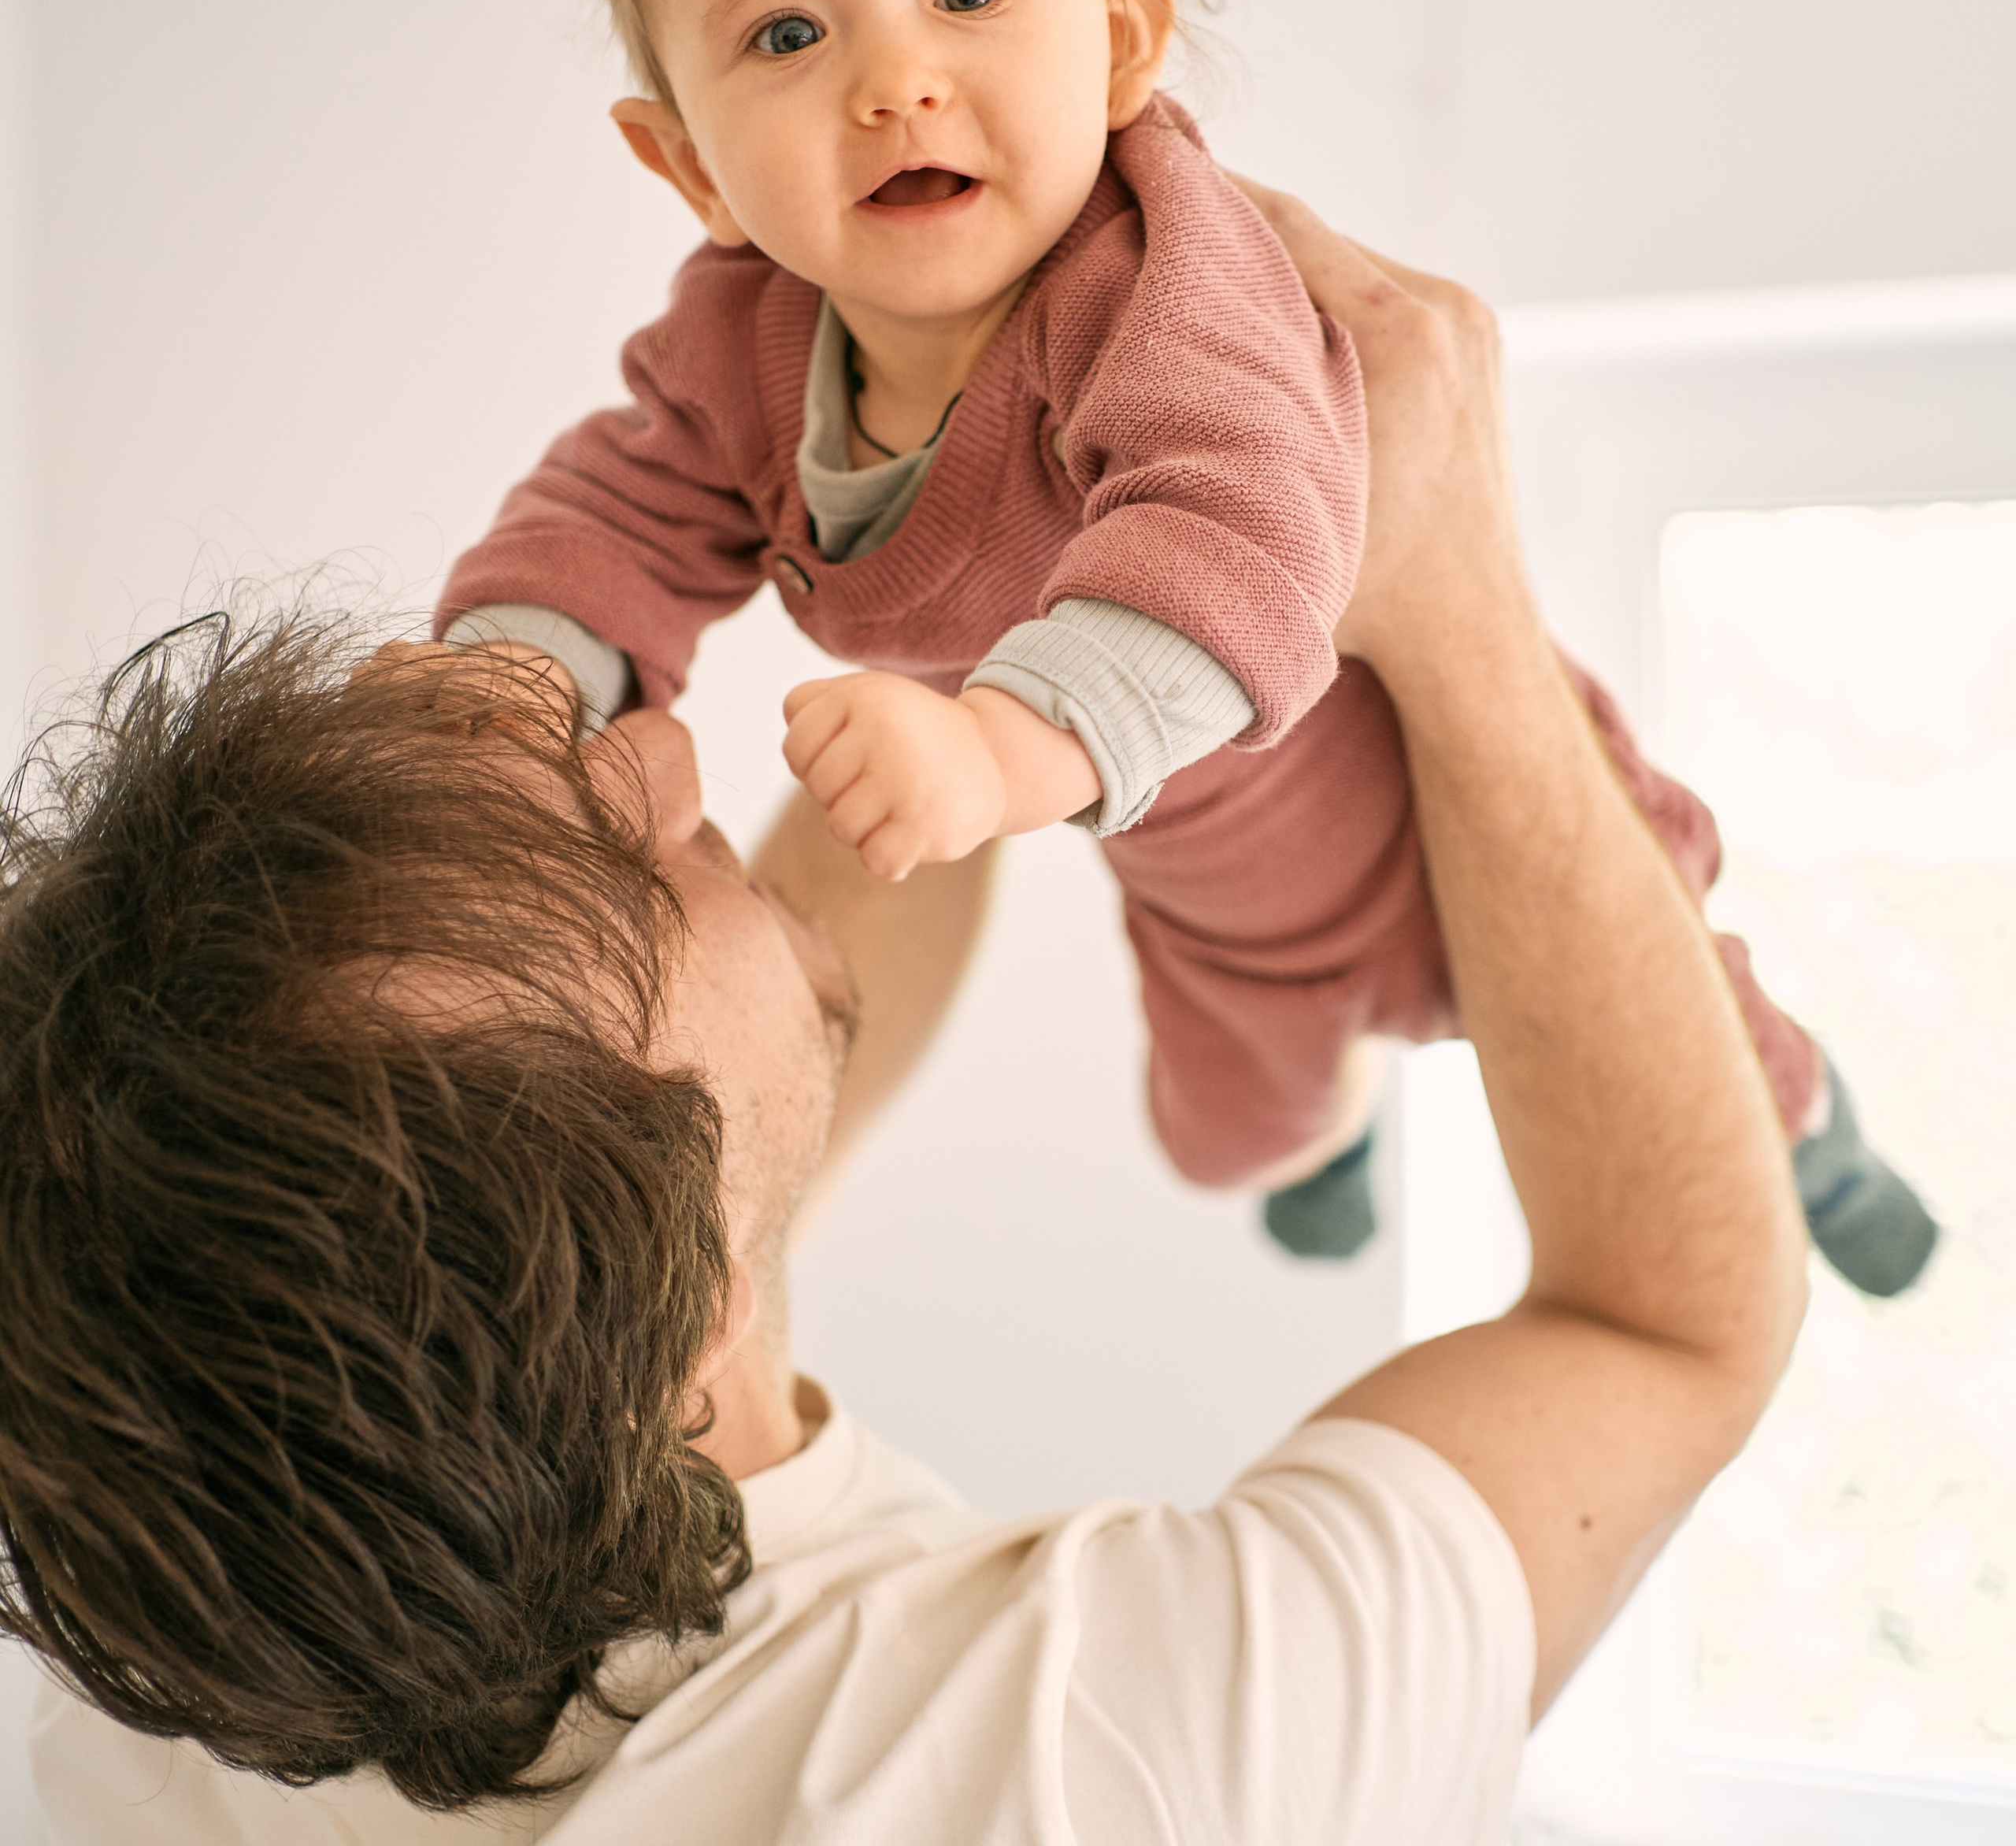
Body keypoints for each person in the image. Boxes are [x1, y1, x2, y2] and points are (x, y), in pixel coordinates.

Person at [5, 195, 1807, 1843]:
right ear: (679, 1339)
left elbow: (801, 972)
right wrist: (1450, 588)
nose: (656, 746)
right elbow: (1662, 1323)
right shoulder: (1102, 1760)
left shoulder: (187, 1684)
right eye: (613, 880)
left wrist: (982, 551)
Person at [439, 0, 1933, 1288]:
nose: (895, 81)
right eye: (787, 33)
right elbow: (616, 512)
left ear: (1123, 33)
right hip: (1220, 917)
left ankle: (1826, 1142)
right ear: (686, 161)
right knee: (1221, 1144)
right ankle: (1341, 1133)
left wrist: (995, 753)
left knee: (1708, 1057)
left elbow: (1234, 535)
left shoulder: (1159, 282)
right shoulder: (737, 340)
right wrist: (510, 679)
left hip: (1470, 818)